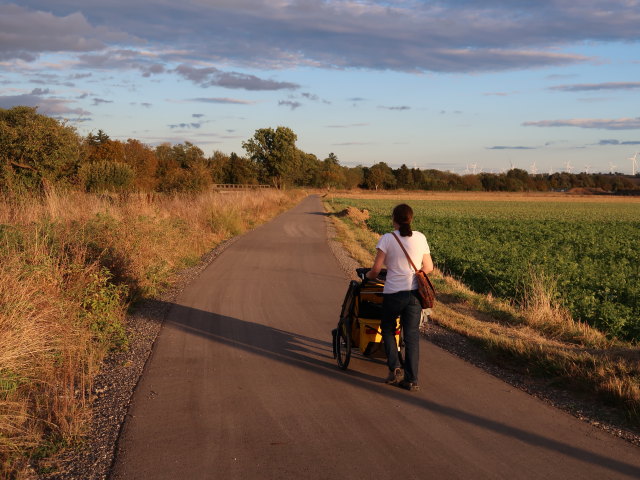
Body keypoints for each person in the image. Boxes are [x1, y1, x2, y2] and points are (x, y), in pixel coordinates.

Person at [365, 204, 433, 391]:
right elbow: (429, 267)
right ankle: (412, 380)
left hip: (394, 294)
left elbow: (376, 270)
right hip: (414, 296)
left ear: (394, 218)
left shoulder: (387, 239)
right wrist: (414, 275)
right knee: (411, 336)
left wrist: (368, 276)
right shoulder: (420, 237)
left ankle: (394, 366)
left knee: (387, 328)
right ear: (411, 218)